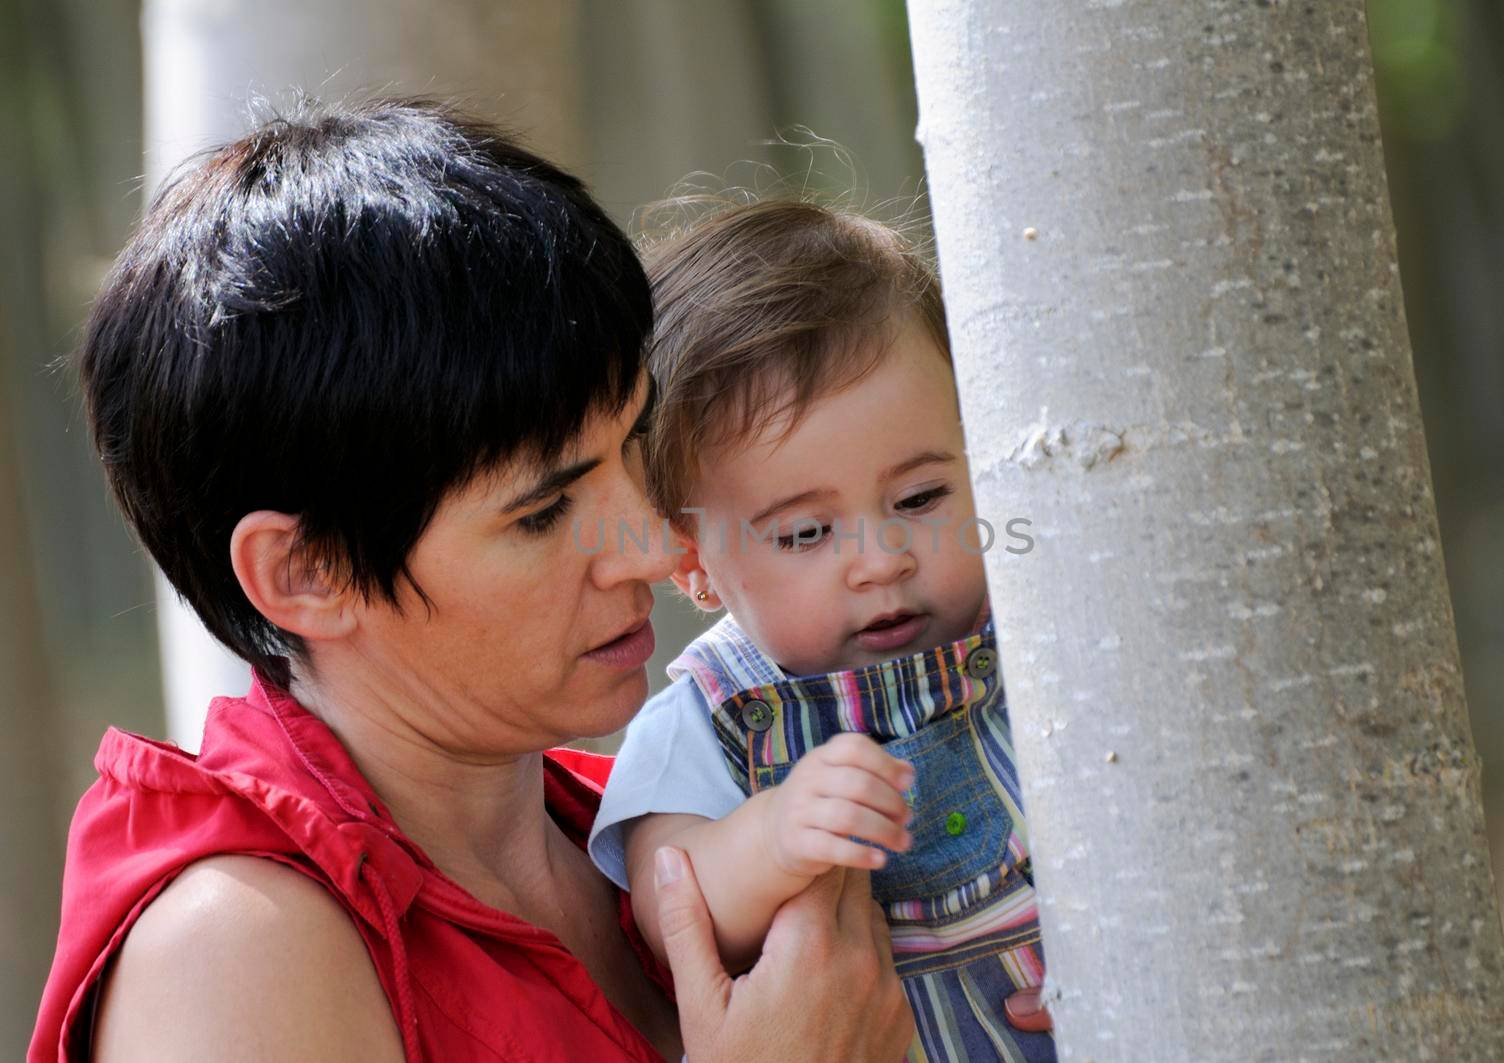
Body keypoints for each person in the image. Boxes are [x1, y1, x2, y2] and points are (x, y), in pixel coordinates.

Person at [29, 98, 916, 1063]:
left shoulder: (665, 826)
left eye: (636, 445)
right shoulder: (236, 942)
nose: (656, 550)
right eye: (541, 512)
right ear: (306, 573)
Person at [587, 200, 1055, 1061]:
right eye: (806, 532)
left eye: (920, 499)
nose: (880, 560)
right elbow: (671, 903)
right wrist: (771, 835)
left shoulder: (1038, 631)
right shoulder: (713, 715)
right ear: (692, 562)